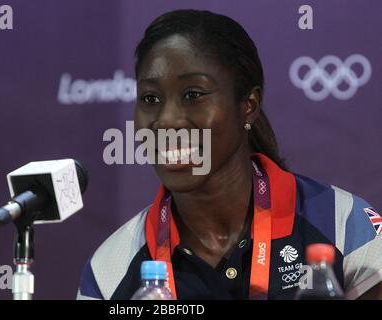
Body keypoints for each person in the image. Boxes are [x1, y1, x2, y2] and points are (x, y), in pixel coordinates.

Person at [77, 9, 382, 300]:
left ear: (248, 104)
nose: (166, 120)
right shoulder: (109, 270)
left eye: (193, 94)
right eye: (150, 98)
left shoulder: (343, 224)